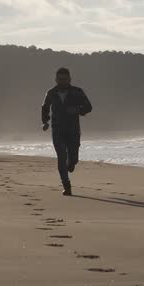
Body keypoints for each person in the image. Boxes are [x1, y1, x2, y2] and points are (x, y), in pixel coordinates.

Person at [40, 67, 93, 196]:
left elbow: (88, 107)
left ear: (69, 79)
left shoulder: (77, 92)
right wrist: (45, 121)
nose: (62, 81)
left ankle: (71, 163)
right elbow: (45, 107)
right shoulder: (51, 93)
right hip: (57, 130)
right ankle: (66, 185)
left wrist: (77, 110)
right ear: (56, 79)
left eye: (65, 79)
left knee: (73, 159)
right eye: (60, 79)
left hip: (73, 130)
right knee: (61, 156)